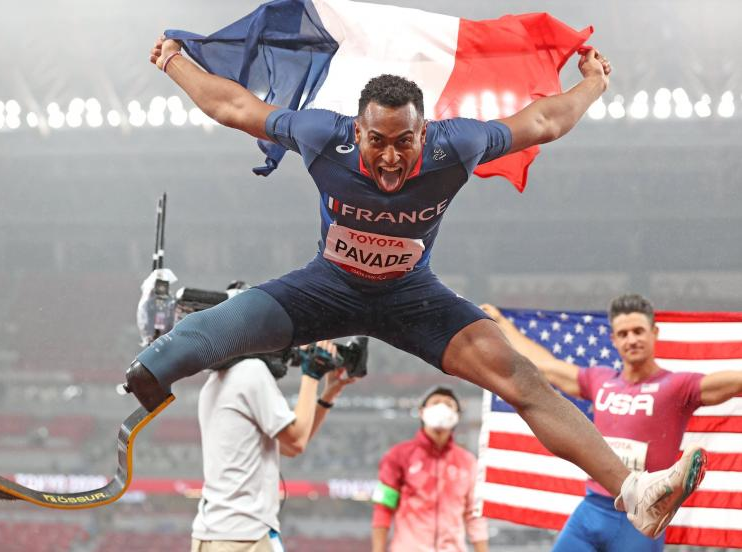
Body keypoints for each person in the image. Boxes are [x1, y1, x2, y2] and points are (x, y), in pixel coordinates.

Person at [125, 33, 704, 538]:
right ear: (357, 130)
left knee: (521, 377)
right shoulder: (322, 134)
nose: (391, 157)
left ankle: (635, 493)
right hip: (327, 286)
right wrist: (173, 60)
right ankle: (145, 385)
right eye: (377, 140)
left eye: (405, 140)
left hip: (411, 296)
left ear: (424, 131)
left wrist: (594, 83)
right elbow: (232, 105)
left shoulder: (458, 145)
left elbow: (545, 122)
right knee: (195, 339)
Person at [481, 295, 742, 551]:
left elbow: (732, 383)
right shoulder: (600, 380)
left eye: (638, 331)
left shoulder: (678, 386)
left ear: (654, 333)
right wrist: (502, 324)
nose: (632, 340)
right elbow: (546, 366)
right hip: (591, 511)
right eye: (624, 334)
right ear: (613, 340)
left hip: (641, 522)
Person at [192, 338, 359, 552]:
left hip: (214, 534)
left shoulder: (219, 378)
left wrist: (328, 395)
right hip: (244, 535)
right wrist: (312, 373)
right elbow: (296, 441)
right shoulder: (252, 371)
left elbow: (289, 445)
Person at [372, 386, 489, 552]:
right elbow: (383, 507)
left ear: (457, 416)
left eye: (449, 404)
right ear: (422, 412)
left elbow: (475, 515)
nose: (442, 407)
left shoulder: (467, 462)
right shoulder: (398, 456)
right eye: (435, 402)